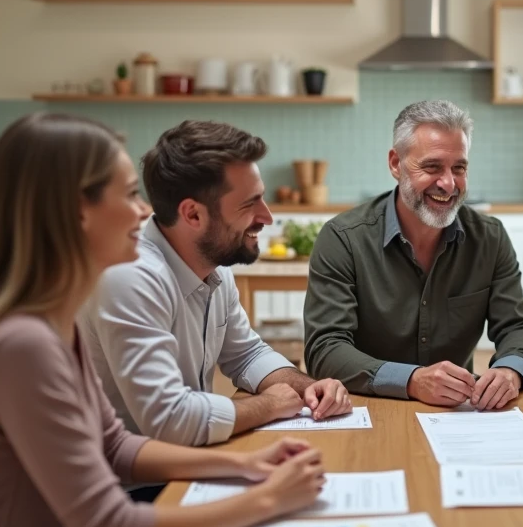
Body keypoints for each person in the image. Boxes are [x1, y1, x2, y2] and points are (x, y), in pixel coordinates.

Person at [0, 113, 326, 527]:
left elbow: (115, 445)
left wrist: (243, 467)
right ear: (76, 213)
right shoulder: (24, 345)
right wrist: (267, 499)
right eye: (128, 194)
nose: (146, 210)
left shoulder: (52, 323)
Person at [78, 121, 351, 485]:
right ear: (192, 214)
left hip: (189, 466)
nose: (267, 217)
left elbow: (246, 354)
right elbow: (170, 422)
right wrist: (268, 405)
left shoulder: (213, 265)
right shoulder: (131, 276)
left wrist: (306, 387)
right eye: (250, 203)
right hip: (131, 488)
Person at [304, 100, 523, 409]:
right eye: (432, 167)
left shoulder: (490, 237)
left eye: (459, 168)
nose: (448, 183)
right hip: (369, 407)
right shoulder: (342, 239)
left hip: (456, 415)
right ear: (396, 164)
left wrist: (511, 370)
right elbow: (325, 349)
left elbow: (519, 327)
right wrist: (411, 380)